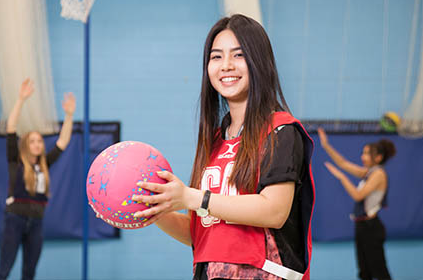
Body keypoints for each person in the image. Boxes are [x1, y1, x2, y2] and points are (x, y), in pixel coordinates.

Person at [132, 14, 315, 280]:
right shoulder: (215, 141)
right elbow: (203, 232)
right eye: (216, 57)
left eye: (238, 55)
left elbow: (274, 211)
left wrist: (191, 197)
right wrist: (156, 210)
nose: (226, 66)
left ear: (259, 62)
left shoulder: (281, 130)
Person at [0, 78, 76, 280]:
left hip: (36, 222)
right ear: (25, 145)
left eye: (40, 141)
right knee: (4, 270)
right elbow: (11, 127)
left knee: (29, 273)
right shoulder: (16, 160)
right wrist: (21, 100)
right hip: (15, 219)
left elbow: (63, 141)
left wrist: (69, 115)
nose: (38, 144)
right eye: (33, 141)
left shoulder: (44, 164)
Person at [317, 127, 395, 280]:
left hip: (372, 227)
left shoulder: (379, 174)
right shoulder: (370, 172)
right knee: (364, 272)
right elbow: (343, 163)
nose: (363, 156)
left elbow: (358, 195)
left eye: (367, 153)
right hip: (361, 226)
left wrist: (341, 177)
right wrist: (326, 145)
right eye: (363, 153)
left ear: (378, 157)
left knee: (380, 272)